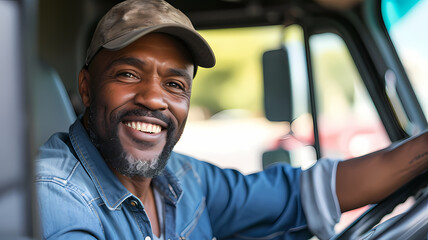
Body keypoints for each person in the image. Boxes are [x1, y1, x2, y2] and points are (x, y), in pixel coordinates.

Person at [35, 0, 428, 239]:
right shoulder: (55, 197)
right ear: (86, 88)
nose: (155, 98)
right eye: (128, 75)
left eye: (175, 84)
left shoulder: (182, 179)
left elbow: (302, 192)